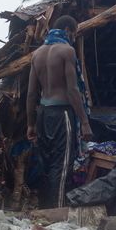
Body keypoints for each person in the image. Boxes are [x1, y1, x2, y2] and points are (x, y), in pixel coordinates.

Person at [26, 15, 93, 208]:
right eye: (74, 33)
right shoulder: (67, 51)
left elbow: (31, 94)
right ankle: (57, 212)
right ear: (68, 30)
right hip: (62, 114)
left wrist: (30, 124)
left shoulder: (37, 54)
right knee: (62, 165)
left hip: (43, 113)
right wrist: (85, 122)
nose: (74, 37)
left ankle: (44, 208)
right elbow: (72, 90)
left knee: (46, 163)